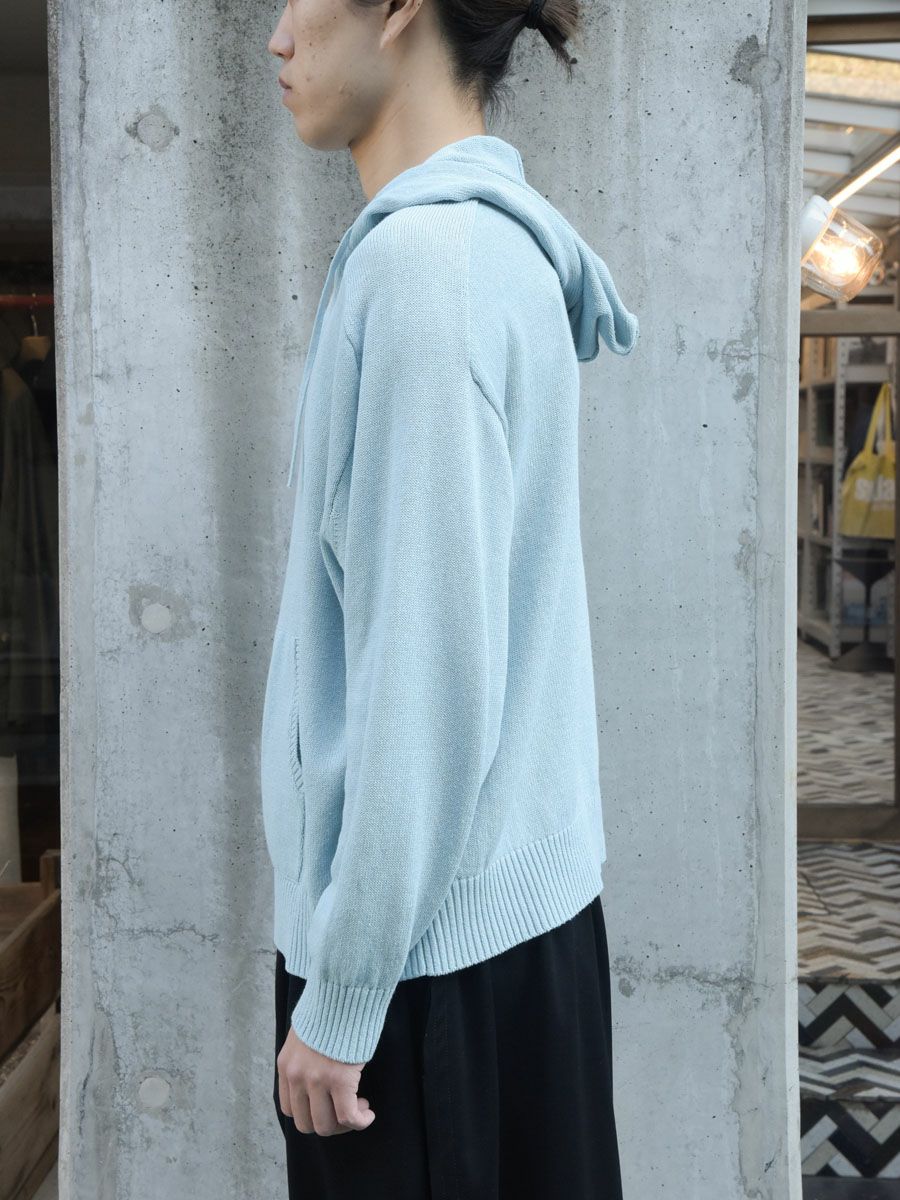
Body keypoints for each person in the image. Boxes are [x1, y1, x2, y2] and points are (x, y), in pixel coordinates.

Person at [264, 0, 639, 1195]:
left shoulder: (424, 273)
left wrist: (345, 994)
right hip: (499, 938)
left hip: (424, 975)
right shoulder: (491, 257)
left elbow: (424, 679)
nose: (277, 38)